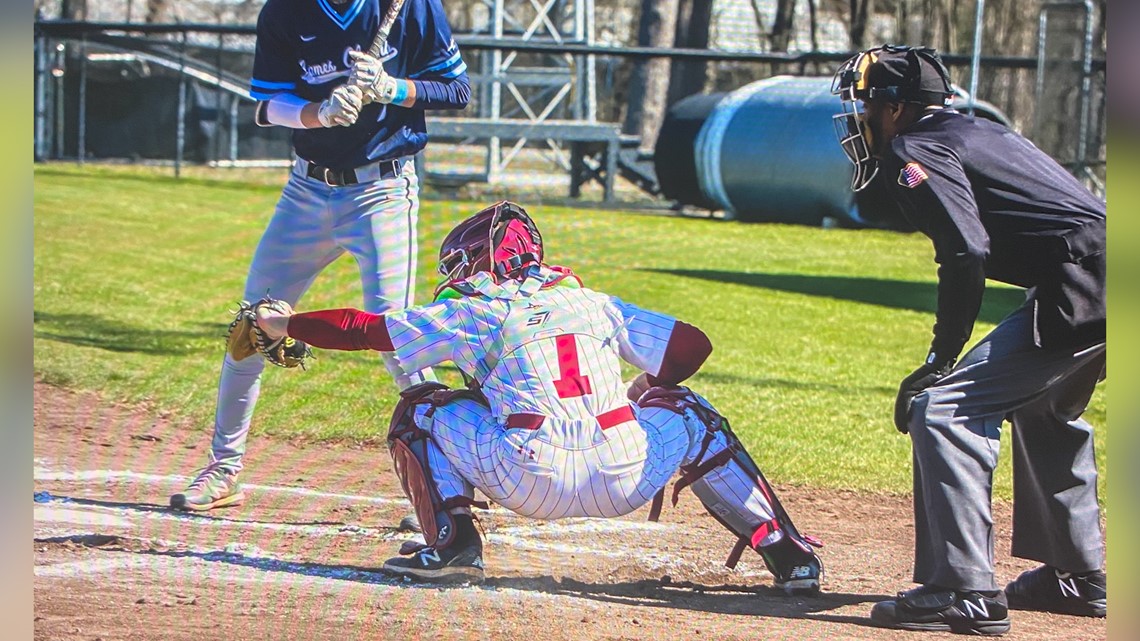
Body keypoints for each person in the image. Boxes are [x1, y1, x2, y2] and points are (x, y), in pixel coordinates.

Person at [250, 200, 824, 592]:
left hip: (530, 479)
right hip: (628, 473)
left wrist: (286, 322)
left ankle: (455, 546)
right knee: (693, 412)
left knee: (420, 406)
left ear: (480, 261)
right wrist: (652, 386)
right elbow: (692, 349)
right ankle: (786, 553)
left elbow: (364, 330)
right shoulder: (591, 300)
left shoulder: (473, 308)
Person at [832, 45, 1106, 635]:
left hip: (1088, 282)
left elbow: (966, 249)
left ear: (896, 108)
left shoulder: (915, 146)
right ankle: (1081, 576)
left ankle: (964, 590)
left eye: (865, 105)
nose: (860, 119)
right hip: (1103, 272)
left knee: (944, 409)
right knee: (1043, 406)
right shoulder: (978, 130)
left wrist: (940, 357)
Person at [170, 0, 470, 511]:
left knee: (398, 340)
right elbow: (266, 104)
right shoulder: (285, 10)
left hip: (382, 190)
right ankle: (224, 468)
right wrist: (318, 114)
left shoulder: (412, 6)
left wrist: (391, 88)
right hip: (305, 191)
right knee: (253, 325)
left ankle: (449, 482)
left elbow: (458, 91)